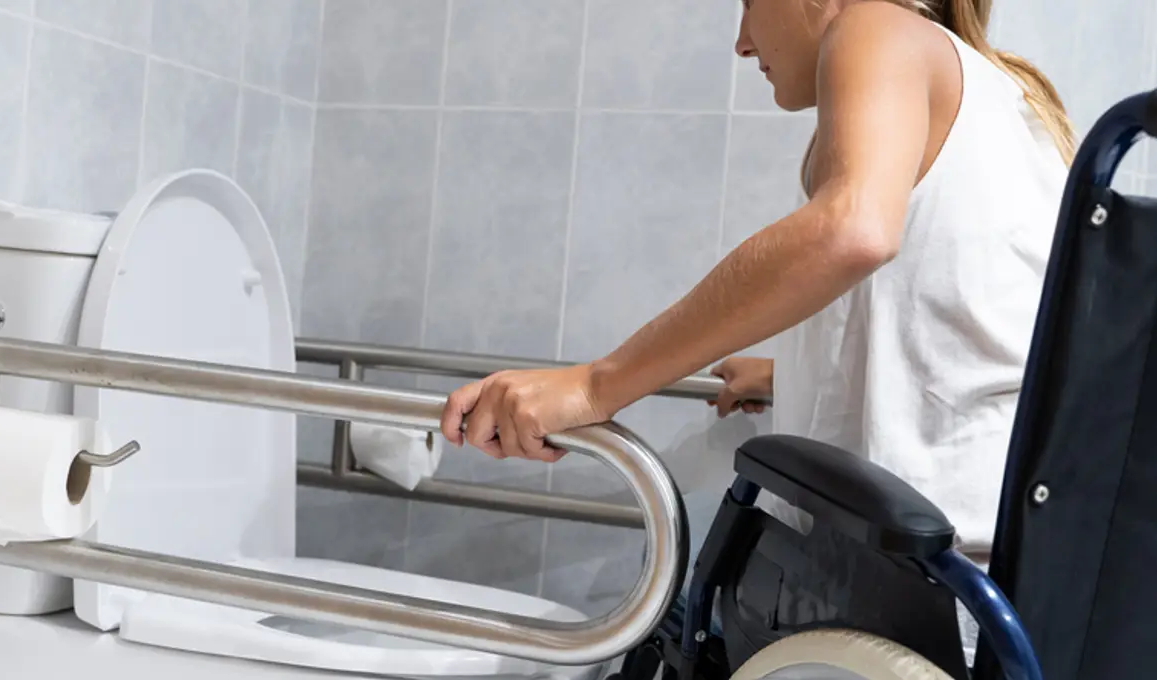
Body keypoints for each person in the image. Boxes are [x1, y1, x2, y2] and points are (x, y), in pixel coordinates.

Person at [441, 0, 1070, 661]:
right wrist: (786, 373)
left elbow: (852, 229)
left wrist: (597, 386)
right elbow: (964, 320)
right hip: (992, 590)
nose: (742, 41)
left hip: (917, 585)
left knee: (661, 628)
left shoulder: (878, 26)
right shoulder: (1000, 91)